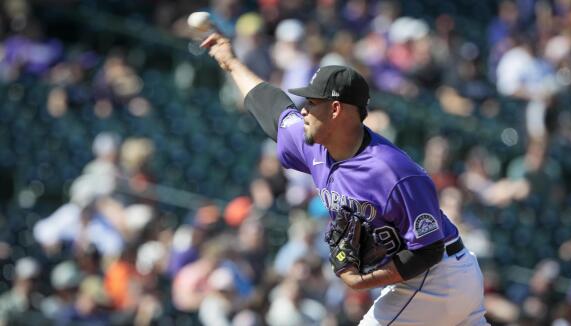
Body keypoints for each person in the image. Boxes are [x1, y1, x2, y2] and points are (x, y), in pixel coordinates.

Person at [200, 32, 488, 325]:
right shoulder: (311, 143)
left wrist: (360, 281)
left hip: (437, 276)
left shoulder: (393, 171)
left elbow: (427, 250)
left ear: (335, 109)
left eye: (312, 102)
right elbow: (271, 106)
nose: (304, 110)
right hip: (441, 277)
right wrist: (232, 62)